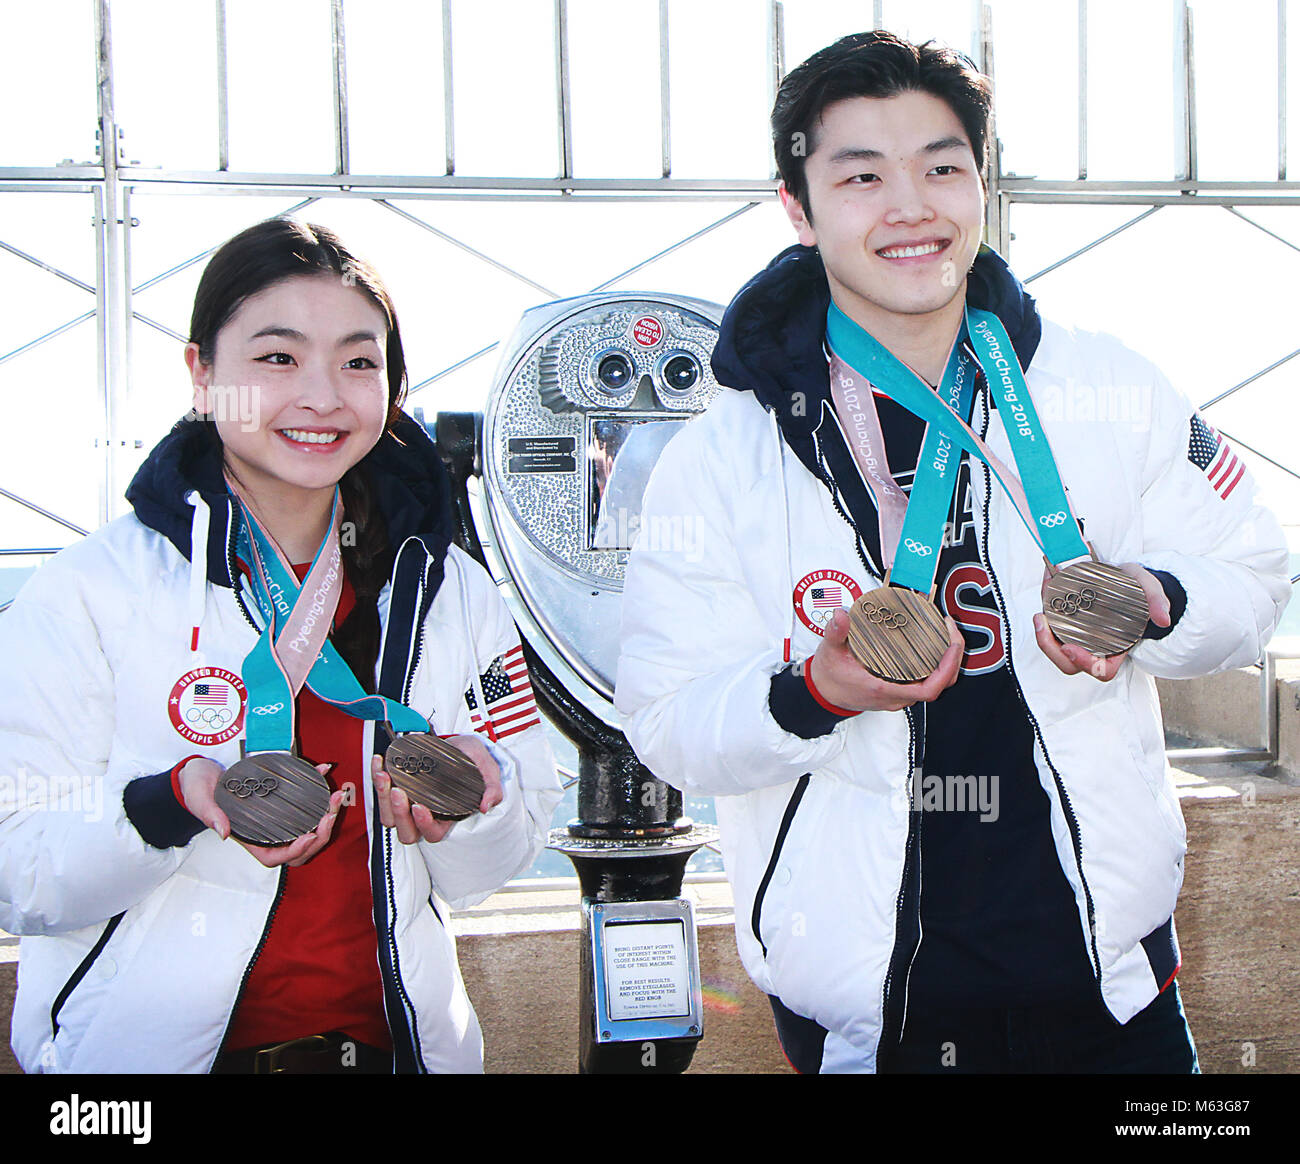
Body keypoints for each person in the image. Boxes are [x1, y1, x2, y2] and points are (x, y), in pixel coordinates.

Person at [615, 32, 1291, 1073]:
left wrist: (1153, 601)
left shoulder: (1108, 389)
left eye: (941, 167)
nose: (910, 207)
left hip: (1113, 996)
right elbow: (667, 722)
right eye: (861, 176)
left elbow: (1252, 572)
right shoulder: (721, 461)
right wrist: (815, 692)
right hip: (871, 1015)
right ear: (797, 208)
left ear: (982, 184)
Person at [0, 217, 560, 1073]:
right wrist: (166, 806)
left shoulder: (448, 590)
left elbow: (496, 862)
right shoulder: (88, 593)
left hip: (399, 1054)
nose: (323, 396)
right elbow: (20, 873)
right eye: (277, 358)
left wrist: (474, 804)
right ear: (202, 375)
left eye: (359, 361)